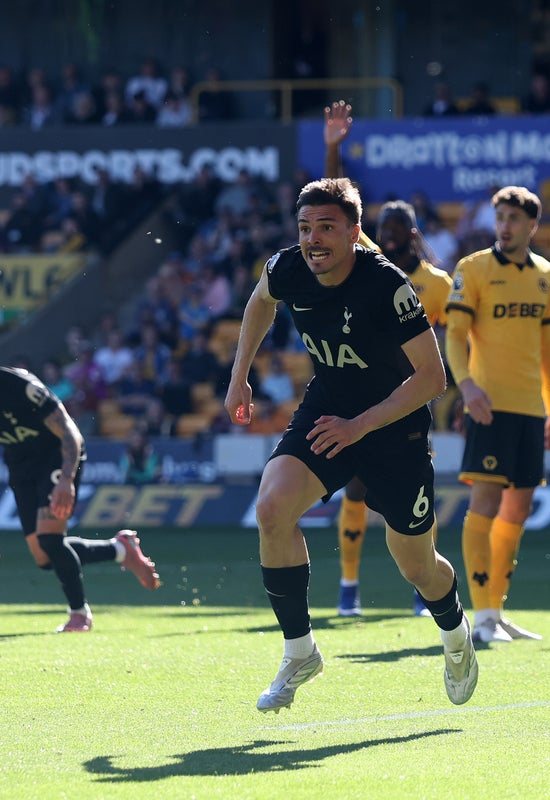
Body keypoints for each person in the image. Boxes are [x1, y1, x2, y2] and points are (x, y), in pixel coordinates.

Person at [223, 176, 477, 713]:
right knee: (272, 509)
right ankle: (300, 652)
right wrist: (239, 374)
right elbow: (259, 303)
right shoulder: (287, 267)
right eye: (305, 227)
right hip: (328, 409)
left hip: (396, 426)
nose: (313, 239)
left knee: (417, 565)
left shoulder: (387, 285)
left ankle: (456, 634)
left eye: (327, 228)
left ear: (355, 233)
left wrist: (360, 427)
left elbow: (433, 378)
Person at [321, 101, 453, 618]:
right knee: (356, 490)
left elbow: (444, 347)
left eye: (398, 226)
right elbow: (334, 203)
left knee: (414, 495)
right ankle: (349, 585)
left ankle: (424, 587)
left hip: (411, 398)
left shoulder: (438, 285)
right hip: (365, 389)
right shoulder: (371, 261)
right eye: (385, 224)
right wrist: (333, 146)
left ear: (413, 231)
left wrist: (462, 389)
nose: (389, 232)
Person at [0, 332, 161, 633]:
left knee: (50, 540)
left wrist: (67, 479)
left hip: (58, 456)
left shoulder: (19, 386)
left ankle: (79, 614)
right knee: (45, 557)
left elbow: (71, 433)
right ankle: (121, 549)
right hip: (21, 466)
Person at [446, 185, 550, 644]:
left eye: (515, 219)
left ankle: (497, 611)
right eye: (501, 218)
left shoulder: (545, 274)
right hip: (488, 405)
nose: (505, 226)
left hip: (530, 410)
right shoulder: (472, 268)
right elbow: (455, 336)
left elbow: (547, 345)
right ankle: (482, 613)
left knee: (519, 507)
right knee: (487, 503)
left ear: (532, 225)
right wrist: (467, 386)